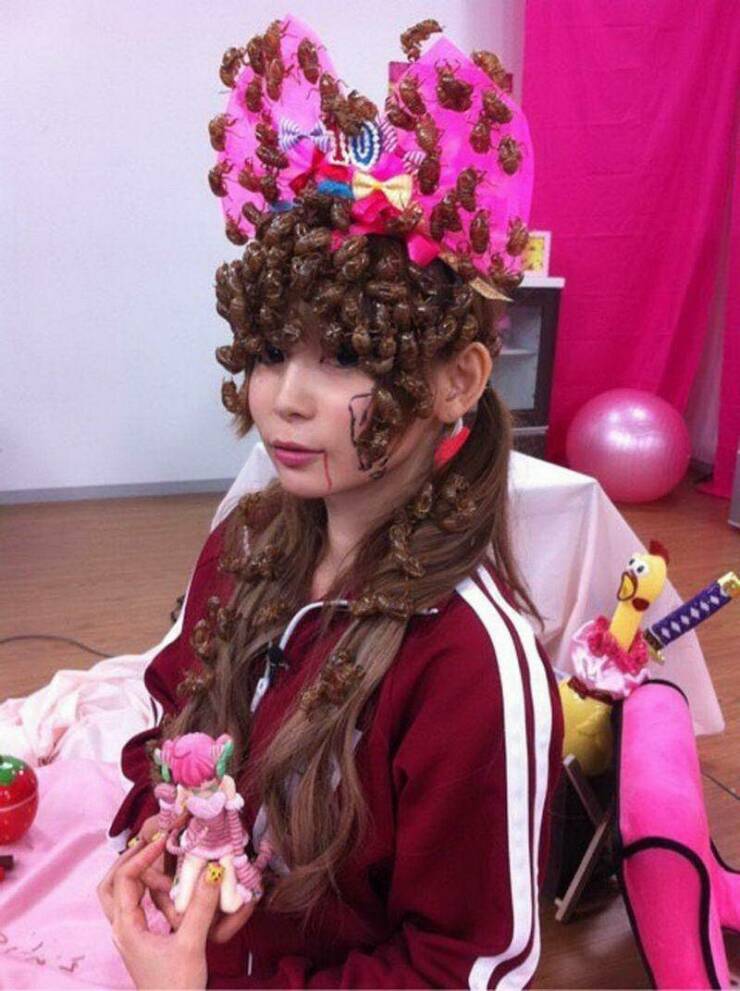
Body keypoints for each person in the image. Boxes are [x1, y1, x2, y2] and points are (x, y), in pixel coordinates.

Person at [98, 14, 564, 989]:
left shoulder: (469, 661)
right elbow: (170, 710)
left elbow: (465, 965)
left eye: (346, 353)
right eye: (272, 350)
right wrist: (160, 835)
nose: (285, 397)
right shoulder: (244, 541)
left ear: (458, 378)